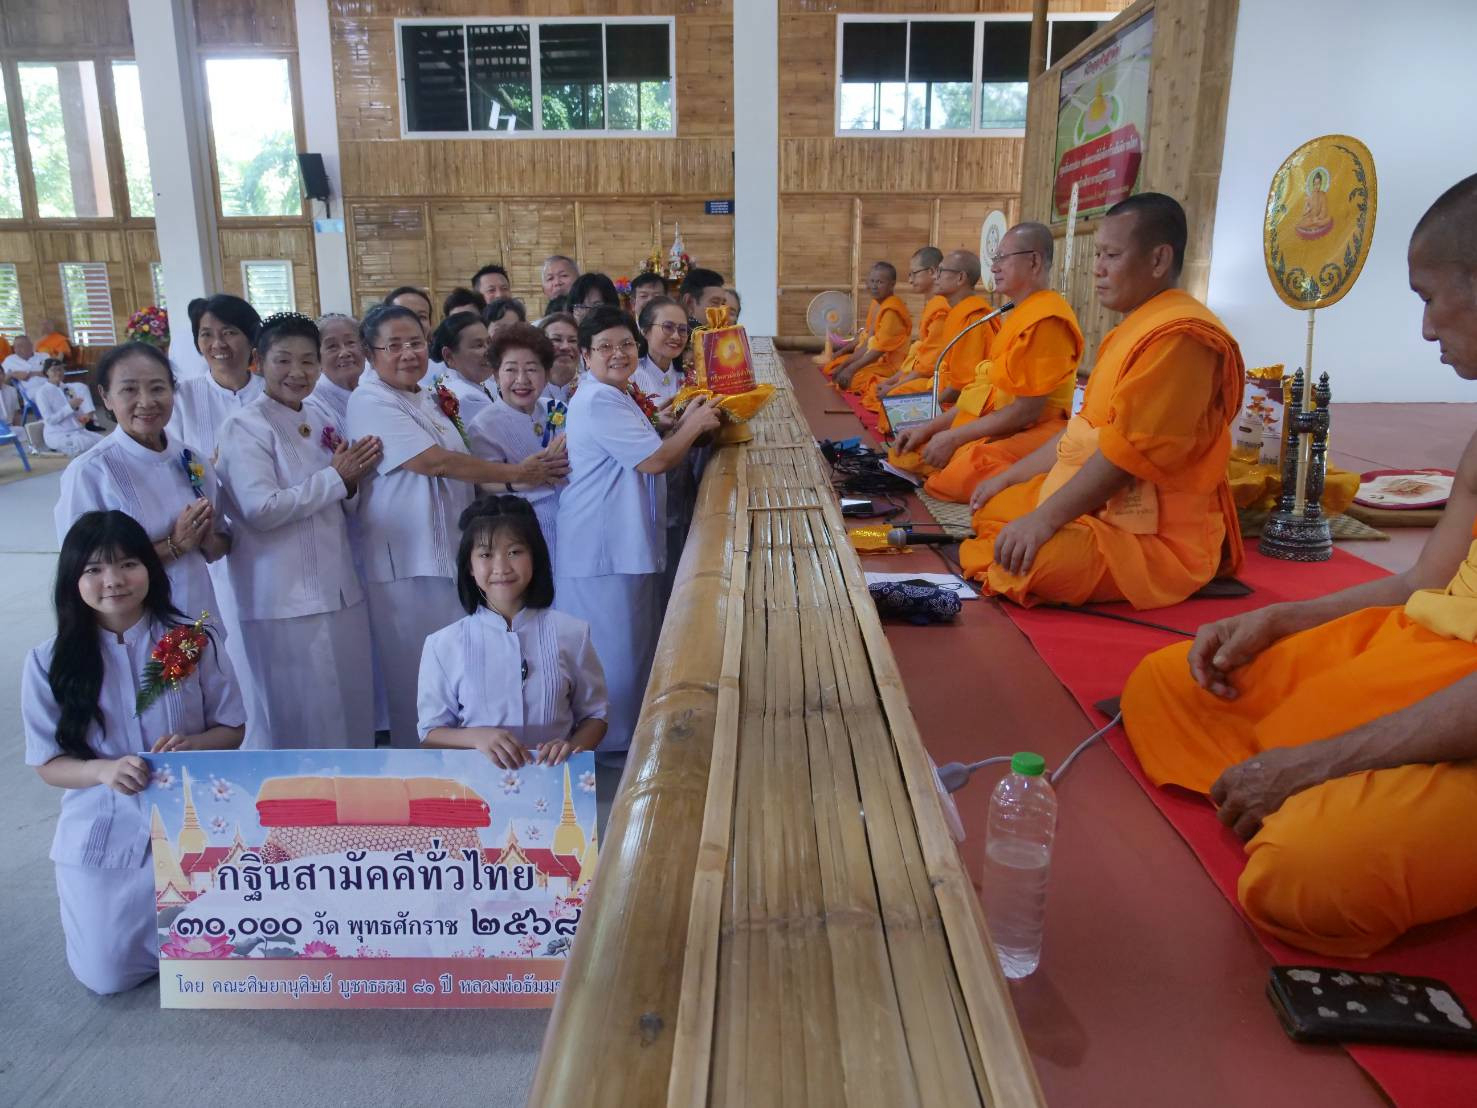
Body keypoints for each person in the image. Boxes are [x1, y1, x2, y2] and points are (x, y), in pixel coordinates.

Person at [1119, 174, 1477, 958]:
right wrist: (1279, 618)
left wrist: (1321, 760)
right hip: (1420, 650)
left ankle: (1313, 790)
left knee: (1305, 875)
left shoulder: (1180, 335)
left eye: (1429, 298)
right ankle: (1307, 782)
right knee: (1166, 681)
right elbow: (1422, 584)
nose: (1424, 330)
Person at [958, 194, 1244, 609]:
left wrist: (1043, 520)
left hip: (1148, 534)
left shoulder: (1180, 337)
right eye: (1097, 255)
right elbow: (1082, 433)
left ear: (1158, 259)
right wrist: (1009, 479)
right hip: (1096, 504)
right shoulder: (1135, 328)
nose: (1098, 268)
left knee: (1029, 562)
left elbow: (1123, 457)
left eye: (1111, 255)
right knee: (995, 507)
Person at [22, 510, 245, 994]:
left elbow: (232, 728)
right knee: (108, 976)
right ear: (72, 579)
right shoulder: (48, 661)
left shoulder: (191, 641)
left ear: (149, 568)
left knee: (234, 954)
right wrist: (102, 771)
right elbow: (48, 763)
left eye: (127, 564)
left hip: (191, 823)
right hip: (104, 825)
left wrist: (195, 745)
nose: (114, 581)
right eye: (94, 569)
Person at [346, 304, 570, 747]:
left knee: (458, 673)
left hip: (448, 552)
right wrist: (518, 474)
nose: (408, 353)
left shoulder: (425, 396)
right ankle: (420, 770)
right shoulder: (370, 400)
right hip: (407, 561)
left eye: (415, 342)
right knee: (417, 678)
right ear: (370, 353)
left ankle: (465, 765)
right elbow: (436, 463)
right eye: (394, 345)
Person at [554, 306, 720, 759]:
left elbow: (645, 441)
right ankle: (613, 752)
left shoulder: (615, 392)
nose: (618, 353)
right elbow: (656, 460)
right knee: (615, 657)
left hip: (619, 543)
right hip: (603, 547)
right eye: (605, 347)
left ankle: (629, 743)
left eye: (625, 344)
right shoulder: (599, 399)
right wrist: (694, 425)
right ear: (586, 355)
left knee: (633, 648)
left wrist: (669, 423)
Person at [216, 313, 381, 749]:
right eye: (284, 360)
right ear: (257, 361)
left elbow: (344, 498)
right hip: (282, 598)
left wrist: (350, 482)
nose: (297, 372)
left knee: (351, 710)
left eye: (308, 361)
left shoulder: (320, 415)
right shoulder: (245, 426)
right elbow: (260, 509)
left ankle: (354, 790)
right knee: (304, 720)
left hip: (339, 587)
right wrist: (336, 477)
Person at [900, 224, 1085, 504]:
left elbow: (1026, 412)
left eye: (1002, 258)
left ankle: (1051, 488)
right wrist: (928, 429)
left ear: (1033, 261)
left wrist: (954, 438)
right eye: (994, 259)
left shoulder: (1046, 320)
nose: (994, 267)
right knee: (913, 452)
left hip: (1038, 428)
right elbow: (981, 393)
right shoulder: (1020, 313)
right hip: (1002, 421)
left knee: (956, 476)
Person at [419, 496, 607, 767]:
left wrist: (571, 747)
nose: (502, 568)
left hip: (554, 780)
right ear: (469, 566)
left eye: (514, 552)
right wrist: (477, 737)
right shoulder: (442, 644)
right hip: (475, 783)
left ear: (535, 557)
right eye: (486, 555)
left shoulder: (572, 633)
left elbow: (595, 716)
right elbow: (430, 733)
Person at [56, 343, 229, 622]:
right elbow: (82, 568)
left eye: (158, 388)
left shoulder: (192, 459)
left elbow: (221, 541)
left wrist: (206, 540)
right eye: (129, 390)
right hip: (134, 622)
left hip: (200, 612)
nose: (146, 402)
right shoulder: (90, 472)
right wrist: (175, 545)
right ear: (106, 397)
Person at [886, 250, 998, 474]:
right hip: (950, 395)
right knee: (900, 423)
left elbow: (963, 387)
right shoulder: (958, 313)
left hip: (972, 405)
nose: (935, 276)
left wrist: (928, 410)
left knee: (909, 453)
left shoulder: (973, 319)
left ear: (960, 278)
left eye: (941, 271)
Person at [467, 322, 567, 564]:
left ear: (546, 374)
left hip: (571, 521)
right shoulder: (484, 425)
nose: (521, 380)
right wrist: (521, 478)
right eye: (511, 370)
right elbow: (482, 483)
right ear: (495, 374)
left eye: (532, 369)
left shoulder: (558, 409)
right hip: (522, 529)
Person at [168, 293, 264, 457]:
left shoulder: (273, 392)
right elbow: (171, 458)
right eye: (206, 334)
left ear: (252, 338)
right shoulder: (180, 398)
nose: (218, 343)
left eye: (229, 332)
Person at [861, 246, 947, 422]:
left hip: (939, 380)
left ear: (932, 272)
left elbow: (928, 365)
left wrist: (894, 385)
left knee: (892, 400)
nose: (909, 280)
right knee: (879, 388)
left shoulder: (941, 310)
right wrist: (892, 381)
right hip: (917, 371)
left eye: (914, 274)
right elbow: (920, 358)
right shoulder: (933, 305)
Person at [831, 263, 912, 395]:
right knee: (838, 367)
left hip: (892, 367)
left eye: (879, 282)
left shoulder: (891, 310)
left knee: (854, 380)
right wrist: (845, 365)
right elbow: (868, 344)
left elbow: (878, 351)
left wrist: (850, 369)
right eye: (872, 281)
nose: (874, 286)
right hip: (878, 359)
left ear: (892, 284)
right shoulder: (878, 303)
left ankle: (888, 384)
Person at [429, 312, 495, 424]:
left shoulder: (477, 383)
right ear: (449, 356)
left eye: (489, 342)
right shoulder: (468, 397)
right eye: (479, 345)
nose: (489, 351)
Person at [34, 358, 103, 455]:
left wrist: (84, 417)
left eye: (60, 369)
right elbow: (50, 420)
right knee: (87, 445)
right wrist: (69, 407)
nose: (58, 373)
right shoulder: (42, 392)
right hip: (58, 434)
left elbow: (76, 411)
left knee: (104, 442)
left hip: (77, 431)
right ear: (47, 372)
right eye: (54, 370)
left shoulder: (68, 388)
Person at [307, 312, 364, 426]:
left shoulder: (376, 386)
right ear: (317, 357)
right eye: (332, 346)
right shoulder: (312, 404)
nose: (344, 353)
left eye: (350, 342)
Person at [633, 296, 690, 404]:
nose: (676, 336)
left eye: (682, 329)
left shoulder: (690, 376)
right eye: (668, 327)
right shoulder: (630, 376)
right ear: (645, 330)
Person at [538, 312, 580, 403]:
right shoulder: (530, 389)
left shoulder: (590, 387)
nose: (565, 347)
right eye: (556, 339)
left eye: (572, 340)